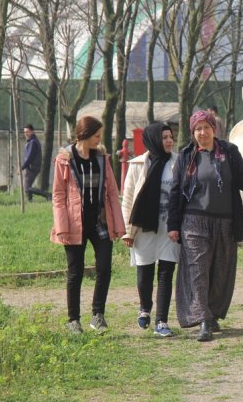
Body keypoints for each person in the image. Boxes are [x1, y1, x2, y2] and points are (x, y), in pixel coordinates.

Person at [167, 110, 243, 342]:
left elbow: (242, 182)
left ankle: (213, 312)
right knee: (198, 270)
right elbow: (175, 192)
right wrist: (173, 224)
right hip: (193, 221)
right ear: (193, 132)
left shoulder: (229, 152)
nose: (203, 132)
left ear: (214, 129)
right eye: (198, 128)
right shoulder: (186, 156)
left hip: (225, 221)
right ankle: (203, 320)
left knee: (220, 270)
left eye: (206, 127)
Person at [50, 116, 126, 334]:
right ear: (83, 135)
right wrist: (61, 226)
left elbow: (112, 192)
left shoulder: (102, 158)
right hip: (75, 224)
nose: (99, 140)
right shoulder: (64, 159)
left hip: (100, 223)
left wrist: (118, 224)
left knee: (104, 268)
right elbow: (58, 195)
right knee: (76, 272)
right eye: (97, 136)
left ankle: (97, 315)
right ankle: (73, 320)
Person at [122, 122, 180, 337]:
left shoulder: (178, 162)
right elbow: (128, 199)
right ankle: (145, 308)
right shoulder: (137, 165)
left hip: (169, 229)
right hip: (143, 226)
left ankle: (161, 322)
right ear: (154, 139)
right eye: (164, 137)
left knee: (166, 273)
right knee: (144, 273)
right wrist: (128, 231)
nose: (169, 140)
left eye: (171, 136)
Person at [21, 124, 50, 201]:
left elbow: (30, 157)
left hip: (32, 167)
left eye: (27, 132)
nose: (26, 133)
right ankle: (30, 200)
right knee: (28, 186)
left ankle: (47, 194)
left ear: (32, 131)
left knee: (27, 188)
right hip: (33, 167)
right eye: (25, 132)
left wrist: (22, 167)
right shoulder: (32, 141)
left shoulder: (33, 142)